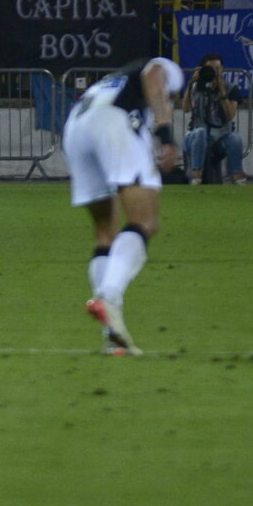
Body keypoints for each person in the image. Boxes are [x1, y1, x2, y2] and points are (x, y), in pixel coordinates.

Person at [63, 55, 185, 356]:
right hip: (113, 123)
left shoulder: (113, 80)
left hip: (76, 127)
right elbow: (155, 74)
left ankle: (111, 334)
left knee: (106, 232)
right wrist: (166, 134)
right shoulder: (164, 68)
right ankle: (109, 296)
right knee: (145, 221)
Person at [181, 55, 247, 183]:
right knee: (200, 132)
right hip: (196, 136)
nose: (214, 72)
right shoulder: (196, 87)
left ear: (222, 69)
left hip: (221, 136)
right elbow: (186, 108)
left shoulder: (230, 88)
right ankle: (196, 175)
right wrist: (191, 84)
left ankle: (237, 177)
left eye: (217, 68)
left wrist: (222, 91)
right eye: (210, 68)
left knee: (235, 138)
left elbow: (230, 115)